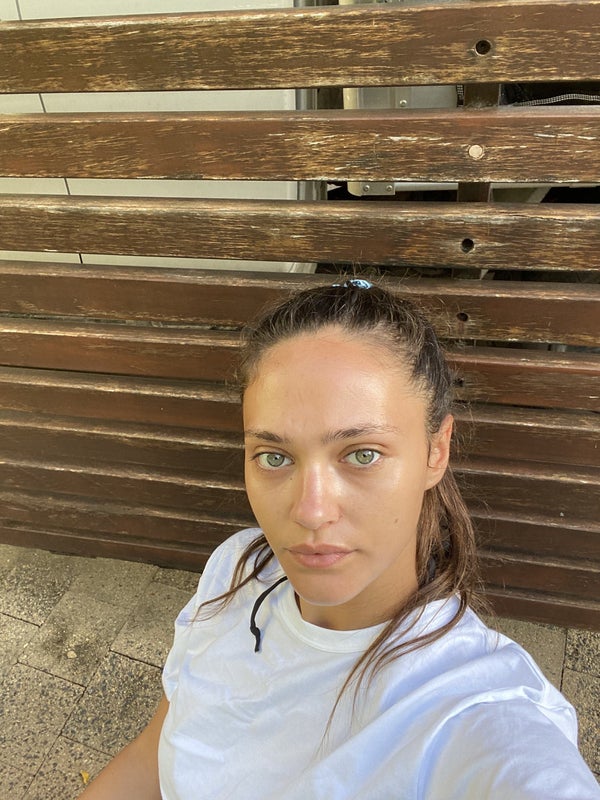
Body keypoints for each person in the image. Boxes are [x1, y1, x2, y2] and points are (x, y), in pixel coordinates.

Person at [79, 280, 600, 799]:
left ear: (436, 451)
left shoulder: (478, 713)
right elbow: (156, 752)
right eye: (274, 457)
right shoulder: (235, 568)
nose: (310, 511)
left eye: (362, 454)